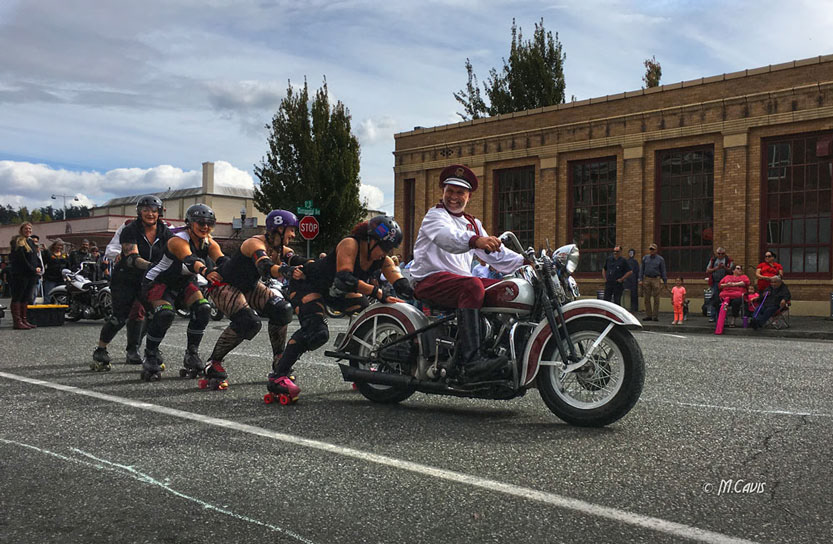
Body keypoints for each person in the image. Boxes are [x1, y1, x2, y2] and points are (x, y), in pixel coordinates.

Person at [266, 215, 409, 399]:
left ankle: (360, 368)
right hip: (308, 284)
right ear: (370, 240)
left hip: (335, 291)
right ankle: (278, 377)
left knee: (366, 313)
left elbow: (402, 285)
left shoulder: (383, 259)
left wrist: (419, 295)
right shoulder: (350, 244)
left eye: (390, 249)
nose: (386, 253)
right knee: (316, 332)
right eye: (385, 247)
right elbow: (344, 279)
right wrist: (378, 293)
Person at [410, 164, 526, 379]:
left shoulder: (472, 223)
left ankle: (501, 350)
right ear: (443, 191)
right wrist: (475, 240)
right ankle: (472, 360)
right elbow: (447, 237)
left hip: (458, 283)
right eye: (450, 191)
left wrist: (525, 261)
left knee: (509, 289)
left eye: (460, 192)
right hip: (429, 280)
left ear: (469, 196)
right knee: (473, 284)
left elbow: (495, 254)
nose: (454, 197)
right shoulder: (435, 216)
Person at [206, 210, 303, 387]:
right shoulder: (254, 243)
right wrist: (286, 271)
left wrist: (317, 266)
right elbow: (265, 267)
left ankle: (279, 360)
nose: (294, 235)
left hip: (248, 286)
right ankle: (213, 363)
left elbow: (297, 260)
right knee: (248, 322)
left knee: (282, 310)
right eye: (291, 230)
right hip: (224, 285)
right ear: (279, 229)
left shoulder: (280, 249)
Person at [141, 204, 226, 381]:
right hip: (159, 282)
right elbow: (190, 260)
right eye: (200, 223)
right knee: (165, 314)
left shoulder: (208, 241)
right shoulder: (178, 240)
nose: (205, 227)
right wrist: (206, 272)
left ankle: (192, 354)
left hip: (184, 282)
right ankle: (150, 354)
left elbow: (223, 260)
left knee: (203, 309)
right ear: (189, 223)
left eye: (209, 223)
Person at [91, 196, 173, 371]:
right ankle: (101, 349)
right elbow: (132, 257)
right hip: (125, 279)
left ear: (159, 212)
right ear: (139, 212)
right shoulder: (130, 229)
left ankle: (148, 350)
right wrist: (153, 266)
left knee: (157, 314)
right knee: (119, 317)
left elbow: (175, 250)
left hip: (149, 280)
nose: (150, 214)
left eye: (154, 210)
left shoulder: (165, 231)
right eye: (145, 210)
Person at [8, 222, 42, 329]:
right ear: (21, 230)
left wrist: (39, 266)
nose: (28, 230)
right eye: (26, 228)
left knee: (26, 297)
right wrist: (32, 269)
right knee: (18, 297)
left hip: (31, 275)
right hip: (21, 274)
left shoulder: (31, 242)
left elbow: (35, 257)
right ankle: (17, 321)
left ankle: (24, 319)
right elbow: (21, 259)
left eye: (30, 229)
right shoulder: (17, 242)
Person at [639, 243, 667, 321]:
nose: (651, 251)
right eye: (650, 249)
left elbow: (663, 270)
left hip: (656, 279)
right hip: (647, 278)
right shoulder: (645, 258)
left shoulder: (660, 259)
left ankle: (655, 316)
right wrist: (640, 279)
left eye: (653, 249)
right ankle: (649, 315)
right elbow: (642, 269)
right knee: (646, 298)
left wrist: (665, 281)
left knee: (656, 298)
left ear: (656, 250)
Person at [706, 247, 733, 322]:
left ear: (725, 254)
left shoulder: (728, 260)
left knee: (724, 299)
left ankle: (723, 316)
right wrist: (717, 268)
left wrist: (724, 267)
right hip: (715, 282)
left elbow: (731, 270)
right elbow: (708, 270)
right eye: (719, 253)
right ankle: (713, 315)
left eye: (722, 254)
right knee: (714, 298)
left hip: (725, 283)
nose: (720, 255)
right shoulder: (713, 260)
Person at [624, 248, 640, 314]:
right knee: (628, 293)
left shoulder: (635, 262)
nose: (631, 254)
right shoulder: (626, 261)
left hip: (634, 279)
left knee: (634, 293)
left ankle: (635, 307)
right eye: (630, 253)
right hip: (628, 279)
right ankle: (630, 307)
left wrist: (638, 278)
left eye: (632, 253)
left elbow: (637, 271)